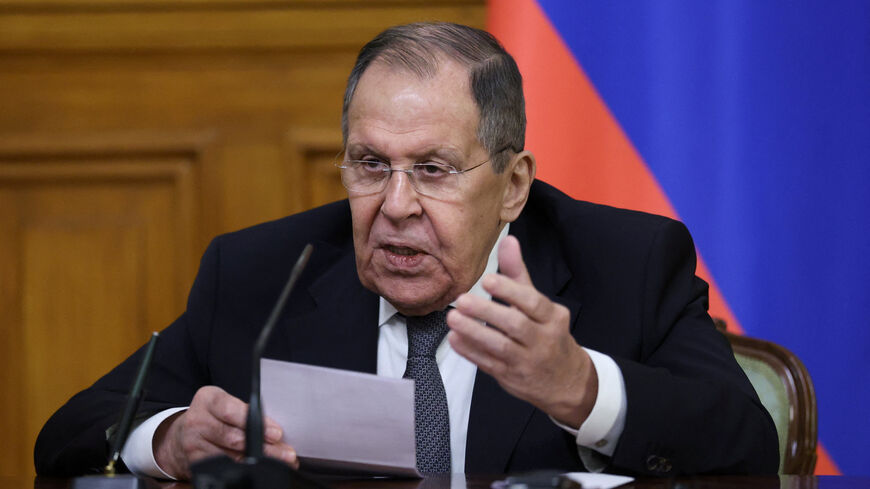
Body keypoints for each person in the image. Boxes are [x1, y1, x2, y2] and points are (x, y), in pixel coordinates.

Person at [34, 22, 778, 479]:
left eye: (432, 169)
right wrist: (166, 440)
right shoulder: (265, 272)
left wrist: (581, 387)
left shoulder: (626, 263)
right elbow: (74, 429)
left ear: (513, 184)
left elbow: (748, 449)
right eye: (370, 164)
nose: (394, 207)